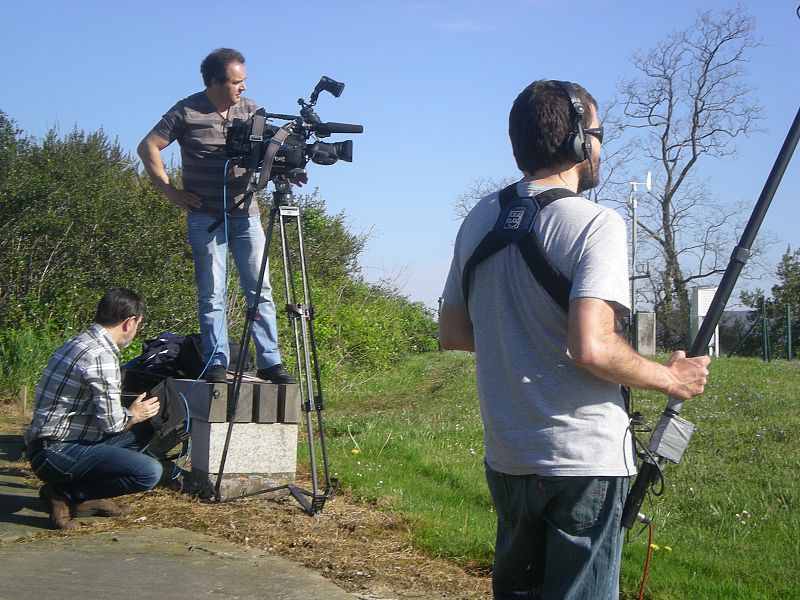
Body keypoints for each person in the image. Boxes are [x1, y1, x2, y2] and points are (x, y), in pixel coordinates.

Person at [439, 80, 711, 599]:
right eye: (600, 134)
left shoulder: (479, 219)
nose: (602, 146)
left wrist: (519, 338)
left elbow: (453, 333)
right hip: (582, 462)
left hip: (509, 455)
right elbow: (592, 346)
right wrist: (671, 378)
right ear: (579, 142)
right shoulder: (596, 223)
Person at [137, 48, 295, 384]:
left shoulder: (252, 110)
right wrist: (170, 191)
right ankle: (216, 363)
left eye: (244, 81)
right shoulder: (186, 110)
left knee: (261, 290)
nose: (243, 88)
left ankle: (270, 362)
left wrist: (286, 170)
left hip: (246, 213)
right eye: (237, 82)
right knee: (212, 294)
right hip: (204, 216)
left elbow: (271, 153)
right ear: (213, 82)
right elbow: (148, 146)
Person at [25, 288, 164, 530]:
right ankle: (65, 494)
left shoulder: (79, 341)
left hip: (47, 444)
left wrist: (135, 416)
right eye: (138, 324)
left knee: (144, 431)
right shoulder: (102, 356)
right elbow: (113, 424)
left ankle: (85, 497)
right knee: (149, 472)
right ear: (129, 322)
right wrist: (135, 413)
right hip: (56, 452)